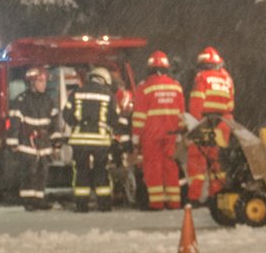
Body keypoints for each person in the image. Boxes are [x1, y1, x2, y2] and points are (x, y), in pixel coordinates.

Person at [131, 50, 185, 210]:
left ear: (149, 69)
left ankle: (156, 203)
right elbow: (181, 113)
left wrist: (136, 137)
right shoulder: (176, 86)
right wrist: (179, 134)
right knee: (171, 166)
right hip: (171, 134)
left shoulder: (144, 87)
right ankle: (174, 201)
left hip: (151, 135)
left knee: (153, 167)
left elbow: (139, 116)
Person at [64, 66, 119, 213]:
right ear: (104, 80)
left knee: (81, 171)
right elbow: (115, 118)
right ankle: (104, 205)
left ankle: (81, 205)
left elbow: (66, 114)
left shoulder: (76, 93)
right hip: (100, 141)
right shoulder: (109, 95)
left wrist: (77, 124)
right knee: (101, 171)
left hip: (80, 140)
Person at [6, 66, 59, 210]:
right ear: (32, 83)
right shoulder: (22, 100)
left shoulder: (48, 100)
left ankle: (38, 199)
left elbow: (54, 124)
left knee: (42, 173)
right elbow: (15, 122)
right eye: (40, 81)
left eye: (44, 81)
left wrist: (57, 143)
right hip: (27, 143)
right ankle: (28, 201)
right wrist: (13, 142)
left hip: (43, 143)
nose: (44, 84)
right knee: (29, 172)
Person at [186, 45, 234, 204]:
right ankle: (216, 194)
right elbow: (231, 104)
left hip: (205, 122)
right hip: (224, 123)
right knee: (217, 160)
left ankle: (194, 197)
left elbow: (196, 103)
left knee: (197, 159)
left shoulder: (202, 77)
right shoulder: (227, 78)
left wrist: (193, 125)